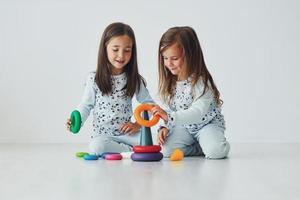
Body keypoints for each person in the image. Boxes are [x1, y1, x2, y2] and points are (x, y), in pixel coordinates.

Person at [66, 22, 154, 155]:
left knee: (157, 143)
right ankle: (133, 151)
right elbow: (86, 105)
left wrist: (137, 124)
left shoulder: (134, 78)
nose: (121, 55)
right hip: (103, 136)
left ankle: (131, 149)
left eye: (127, 50)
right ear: (105, 47)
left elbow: (150, 104)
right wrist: (75, 120)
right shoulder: (94, 79)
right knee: (97, 147)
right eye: (115, 49)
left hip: (127, 135)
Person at [151, 26, 230, 159]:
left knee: (215, 152)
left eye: (174, 58)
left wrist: (169, 117)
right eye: (165, 58)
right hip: (184, 127)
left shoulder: (201, 82)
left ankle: (209, 144)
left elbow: (198, 113)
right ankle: (199, 147)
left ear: (190, 56)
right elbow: (167, 109)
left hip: (207, 125)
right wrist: (164, 127)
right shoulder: (170, 83)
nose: (169, 64)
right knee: (165, 151)